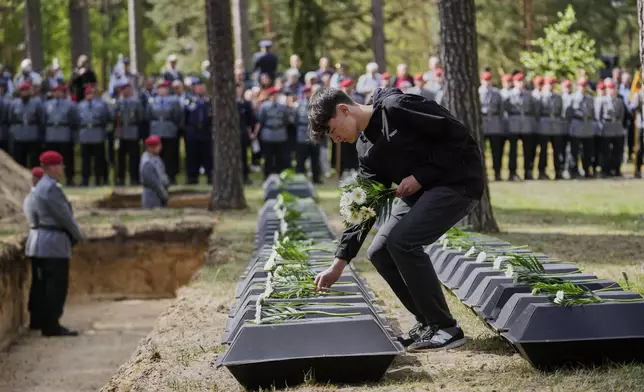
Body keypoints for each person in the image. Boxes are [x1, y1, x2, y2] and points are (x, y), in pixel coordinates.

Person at [308, 87, 483, 351]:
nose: (336, 139)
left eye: (333, 130)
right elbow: (365, 207)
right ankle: (428, 324)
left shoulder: (397, 107)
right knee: (379, 251)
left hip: (457, 181)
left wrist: (421, 176)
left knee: (402, 241)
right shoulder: (365, 149)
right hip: (421, 193)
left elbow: (458, 136)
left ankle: (446, 327)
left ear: (343, 110)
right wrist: (338, 264)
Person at [32, 150, 82, 336]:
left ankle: (47, 322)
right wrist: (77, 234)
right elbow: (65, 216)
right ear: (52, 167)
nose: (62, 168)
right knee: (56, 285)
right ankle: (52, 324)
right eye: (60, 165)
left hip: (47, 240)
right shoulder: (51, 188)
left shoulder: (42, 186)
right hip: (54, 242)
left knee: (48, 284)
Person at [147, 80, 182, 184]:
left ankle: (171, 176)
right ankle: (157, 175)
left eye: (164, 88)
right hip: (156, 131)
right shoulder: (152, 101)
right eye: (160, 88)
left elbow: (177, 116)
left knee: (170, 154)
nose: (162, 90)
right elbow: (148, 115)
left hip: (169, 130)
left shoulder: (174, 100)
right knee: (157, 155)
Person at [504, 72, 537, 181]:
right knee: (513, 150)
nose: (521, 83)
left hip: (526, 124)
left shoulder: (529, 95)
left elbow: (533, 110)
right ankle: (512, 172)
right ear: (514, 82)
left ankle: (528, 171)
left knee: (527, 149)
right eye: (519, 81)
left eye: (522, 81)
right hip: (514, 124)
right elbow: (506, 109)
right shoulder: (509, 95)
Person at [44, 84, 78, 185]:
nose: (57, 93)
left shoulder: (70, 105)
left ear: (63, 93)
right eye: (55, 91)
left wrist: (73, 136)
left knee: (67, 158)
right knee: (51, 160)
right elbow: (43, 119)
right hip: (51, 135)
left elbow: (74, 121)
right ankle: (52, 179)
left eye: (60, 91)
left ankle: (69, 179)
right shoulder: (46, 104)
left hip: (65, 134)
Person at [78, 84, 111, 186]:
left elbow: (106, 118)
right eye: (87, 94)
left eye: (91, 93)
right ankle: (85, 180)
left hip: (97, 133)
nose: (89, 95)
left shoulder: (102, 104)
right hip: (85, 134)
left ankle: (99, 179)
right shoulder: (80, 105)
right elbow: (76, 120)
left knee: (99, 159)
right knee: (85, 160)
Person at [24, 166, 44, 330]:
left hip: (37, 240)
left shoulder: (34, 195)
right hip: (39, 241)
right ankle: (36, 318)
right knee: (39, 283)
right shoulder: (36, 196)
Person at [255, 87, 291, 178]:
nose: (274, 97)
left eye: (276, 95)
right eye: (272, 95)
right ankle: (267, 176)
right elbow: (261, 120)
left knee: (280, 157)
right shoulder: (264, 106)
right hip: (268, 134)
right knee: (268, 157)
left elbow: (286, 120)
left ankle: (280, 175)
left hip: (280, 134)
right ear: (269, 96)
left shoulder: (283, 107)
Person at [114, 82, 146, 185]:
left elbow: (141, 117)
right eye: (124, 89)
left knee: (134, 157)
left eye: (128, 89)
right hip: (121, 132)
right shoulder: (118, 102)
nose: (126, 91)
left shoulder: (136, 102)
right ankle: (120, 178)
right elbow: (113, 116)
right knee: (120, 158)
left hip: (133, 132)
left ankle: (134, 178)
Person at [8, 83, 45, 168]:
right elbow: (11, 119)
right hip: (19, 137)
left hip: (32, 136)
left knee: (34, 162)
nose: (24, 93)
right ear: (20, 92)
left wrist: (40, 136)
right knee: (19, 162)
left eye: (26, 91)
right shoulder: (14, 103)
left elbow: (41, 120)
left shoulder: (37, 103)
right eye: (22, 91)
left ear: (30, 91)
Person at [536, 76, 565, 180]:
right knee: (543, 150)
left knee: (557, 150)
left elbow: (560, 111)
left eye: (553, 83)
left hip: (556, 126)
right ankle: (542, 171)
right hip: (544, 125)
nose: (551, 85)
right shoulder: (540, 97)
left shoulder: (558, 97)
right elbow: (537, 113)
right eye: (549, 83)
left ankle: (558, 171)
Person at [184, 81, 213, 184]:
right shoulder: (189, 101)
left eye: (202, 86)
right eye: (198, 87)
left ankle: (210, 175)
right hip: (193, 130)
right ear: (194, 88)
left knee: (207, 154)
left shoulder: (209, 101)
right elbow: (185, 117)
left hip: (205, 130)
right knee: (192, 155)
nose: (200, 89)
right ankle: (192, 177)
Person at [566, 79, 596, 178]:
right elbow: (568, 114)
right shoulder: (573, 98)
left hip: (587, 127)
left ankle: (586, 170)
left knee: (587, 151)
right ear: (578, 86)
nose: (583, 88)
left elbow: (593, 113)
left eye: (585, 86)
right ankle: (573, 171)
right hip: (576, 126)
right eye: (582, 86)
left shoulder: (590, 98)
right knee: (574, 151)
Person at [293, 85, 321, 184]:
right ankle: (300, 178)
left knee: (315, 158)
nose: (307, 94)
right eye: (305, 92)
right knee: (301, 158)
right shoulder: (298, 105)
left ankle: (316, 179)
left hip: (314, 134)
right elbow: (295, 119)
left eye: (309, 92)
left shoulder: (317, 105)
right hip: (302, 134)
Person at [479, 72, 504, 181]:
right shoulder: (478, 92)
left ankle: (497, 172)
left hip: (494, 123)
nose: (487, 82)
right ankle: (482, 172)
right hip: (482, 122)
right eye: (485, 80)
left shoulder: (496, 93)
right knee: (481, 150)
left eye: (489, 80)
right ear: (481, 80)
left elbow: (501, 109)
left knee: (496, 150)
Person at [599, 80, 626, 177]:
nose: (612, 91)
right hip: (606, 126)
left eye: (613, 88)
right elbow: (599, 115)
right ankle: (605, 170)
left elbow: (622, 115)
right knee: (605, 150)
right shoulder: (602, 100)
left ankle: (616, 169)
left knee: (617, 151)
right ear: (607, 90)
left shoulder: (619, 101)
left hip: (617, 127)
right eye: (610, 89)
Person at [140, 136, 169, 208]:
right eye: (158, 146)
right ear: (150, 147)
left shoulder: (156, 158)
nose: (160, 148)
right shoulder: (147, 163)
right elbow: (154, 183)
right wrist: (164, 195)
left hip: (158, 194)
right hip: (151, 196)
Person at [237, 84, 256, 185]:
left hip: (243, 131)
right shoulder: (230, 103)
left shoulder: (246, 104)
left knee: (244, 155)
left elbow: (251, 120)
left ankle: (244, 176)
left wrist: (251, 133)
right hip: (232, 132)